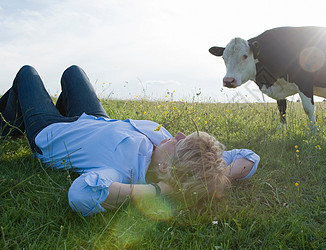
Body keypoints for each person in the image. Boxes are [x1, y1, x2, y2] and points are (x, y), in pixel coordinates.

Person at [0, 65, 260, 216]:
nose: (177, 135)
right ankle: (29, 107)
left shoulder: (121, 173)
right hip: (94, 119)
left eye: (180, 142)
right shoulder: (169, 148)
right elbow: (249, 157)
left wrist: (159, 191)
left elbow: (81, 195)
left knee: (26, 74)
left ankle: (11, 124)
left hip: (53, 132)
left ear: (165, 168)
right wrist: (209, 176)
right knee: (73, 72)